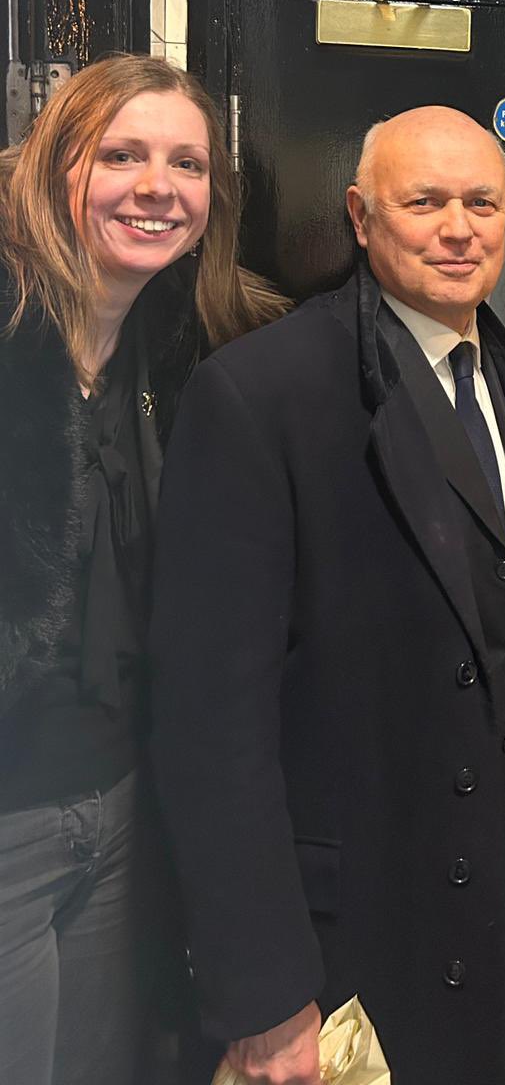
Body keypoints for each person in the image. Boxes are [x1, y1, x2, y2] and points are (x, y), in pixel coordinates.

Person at [149, 105, 505, 1085]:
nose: (459, 227)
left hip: (501, 914)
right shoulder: (258, 395)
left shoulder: (501, 370)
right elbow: (208, 724)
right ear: (362, 217)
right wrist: (264, 992)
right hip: (353, 937)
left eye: (483, 202)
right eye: (425, 201)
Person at [0, 53, 285, 1085]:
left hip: (119, 808)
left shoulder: (178, 349)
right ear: (52, 166)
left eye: (187, 162)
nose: (158, 186)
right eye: (121, 154)